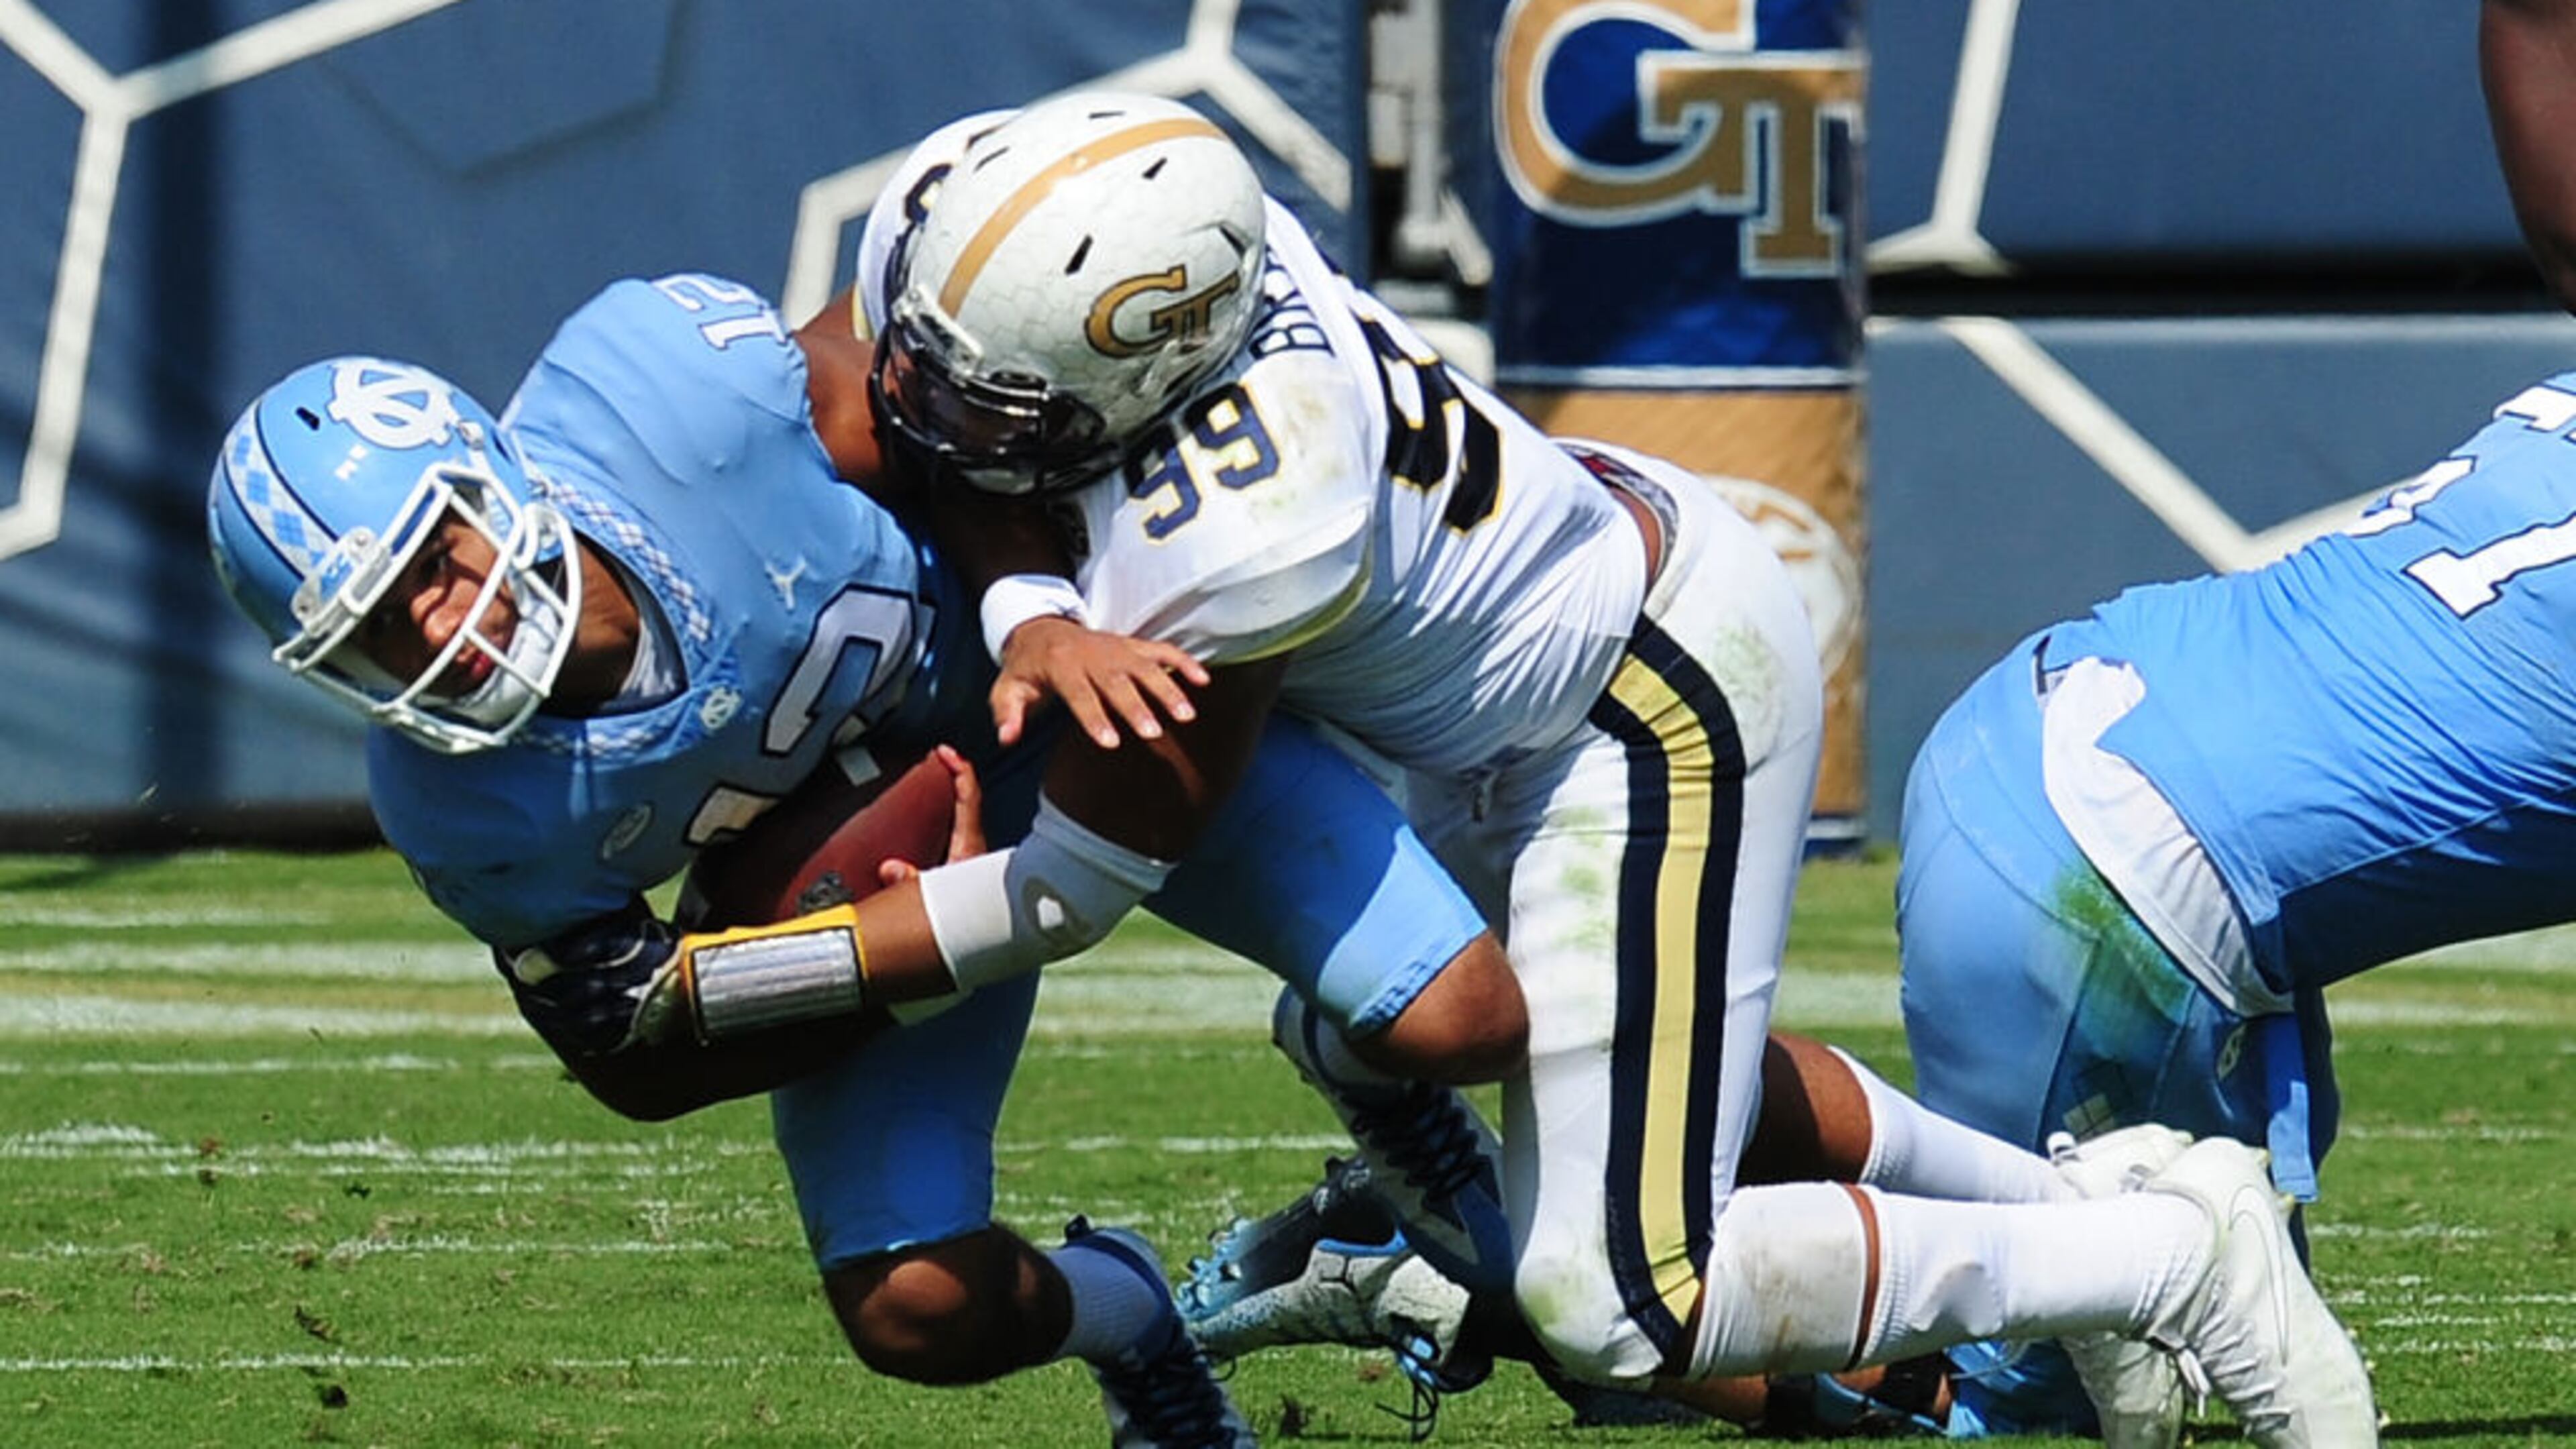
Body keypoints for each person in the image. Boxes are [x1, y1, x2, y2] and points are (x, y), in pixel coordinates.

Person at [852, 90, 2381, 1448]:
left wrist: (733, 983)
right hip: (1509, 666)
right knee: (1381, 1034)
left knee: (1624, 1304)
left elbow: (1075, 888)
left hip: (1638, 697)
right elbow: (946, 441)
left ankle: (2171, 1262)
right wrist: (1031, 603)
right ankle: (2069, 1223)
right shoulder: (1092, 233)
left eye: (989, 401)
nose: (920, 404)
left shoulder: (1252, 524)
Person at [203, 267, 1532, 1447]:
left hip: (1071, 715)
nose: (445, 632)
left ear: (487, 467)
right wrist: (880, 969)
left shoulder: (669, 401)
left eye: (436, 561)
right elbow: (632, 1049)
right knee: (915, 1310)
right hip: (897, 887)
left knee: (1458, 1017)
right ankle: (1134, 1317)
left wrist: (1030, 614)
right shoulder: (464, 805)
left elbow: (940, 401)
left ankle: (1371, 1106)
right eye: (376, 632)